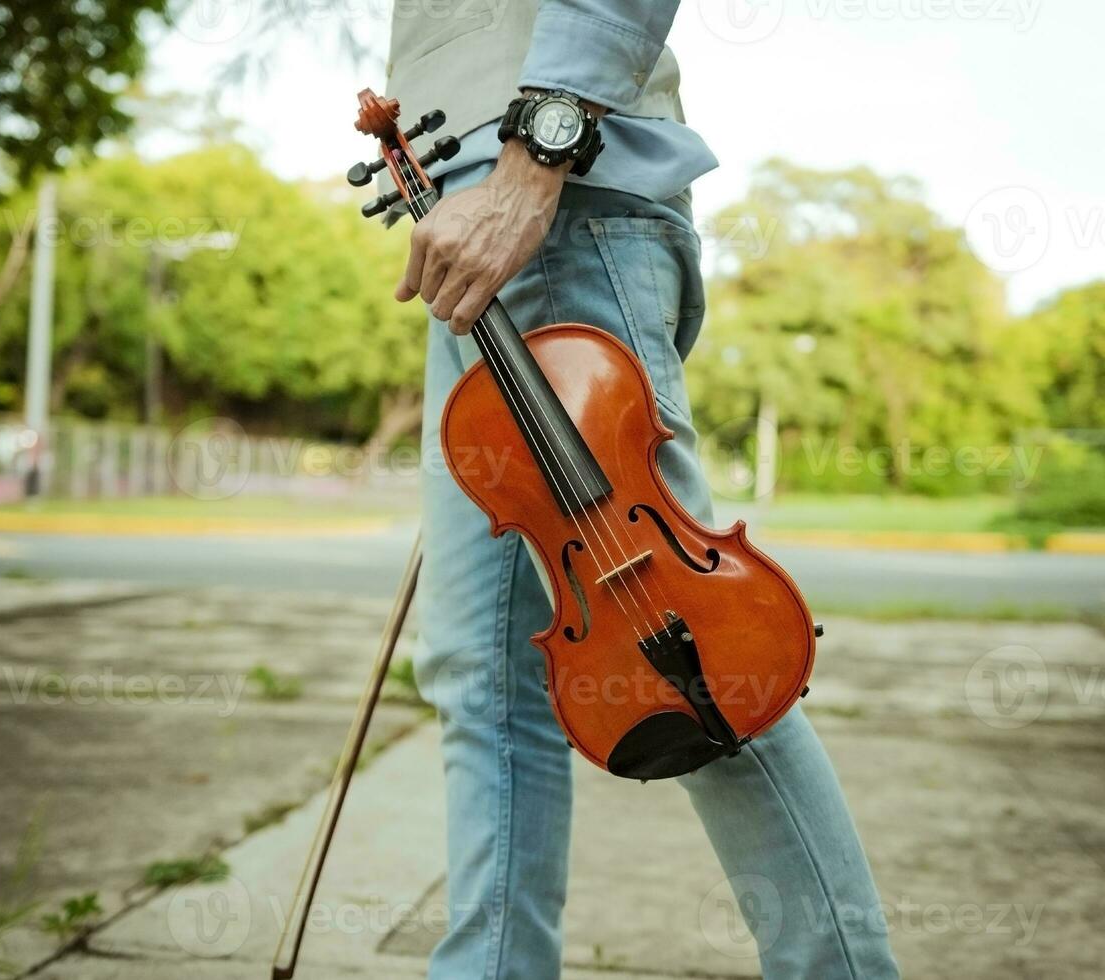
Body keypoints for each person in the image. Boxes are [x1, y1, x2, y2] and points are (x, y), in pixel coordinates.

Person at [386, 3, 900, 977]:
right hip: (470, 239)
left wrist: (534, 160)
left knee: (697, 658)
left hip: (548, 208)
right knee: (481, 677)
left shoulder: (537, 179)